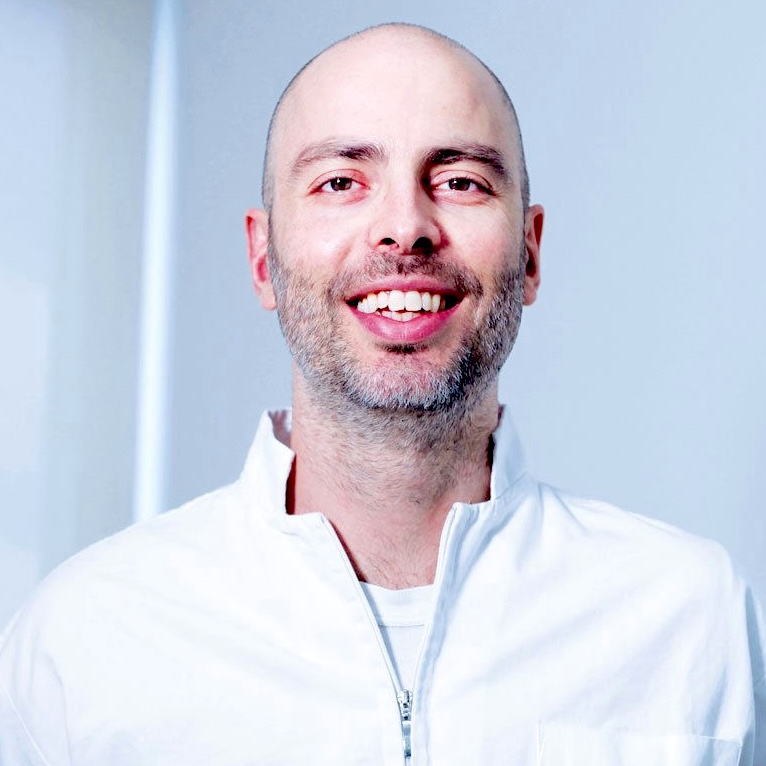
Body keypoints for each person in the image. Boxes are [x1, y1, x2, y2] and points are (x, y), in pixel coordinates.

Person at [0, 22, 763, 765]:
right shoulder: (82, 643)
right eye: (341, 182)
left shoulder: (693, 623)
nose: (405, 227)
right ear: (263, 259)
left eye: (460, 181)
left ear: (530, 254)